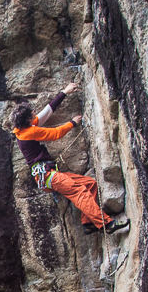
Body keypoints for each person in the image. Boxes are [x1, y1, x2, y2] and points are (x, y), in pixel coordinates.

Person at [13, 83, 129, 235]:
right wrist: (72, 122)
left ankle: (88, 223)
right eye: (31, 113)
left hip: (49, 175)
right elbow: (55, 134)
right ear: (28, 119)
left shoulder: (24, 129)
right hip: (48, 176)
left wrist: (64, 92)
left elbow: (47, 111)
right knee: (80, 192)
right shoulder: (29, 132)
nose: (35, 113)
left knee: (90, 184)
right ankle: (107, 223)